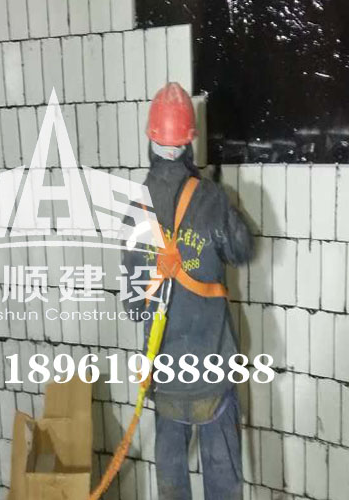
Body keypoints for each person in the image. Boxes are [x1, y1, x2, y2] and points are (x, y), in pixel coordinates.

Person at [122, 82, 253, 499]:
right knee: (223, 487)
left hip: (165, 383)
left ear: (151, 141)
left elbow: (134, 307)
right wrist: (222, 203)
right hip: (213, 378)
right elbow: (244, 250)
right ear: (188, 144)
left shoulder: (136, 210)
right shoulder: (212, 198)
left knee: (172, 489)